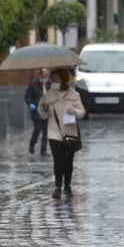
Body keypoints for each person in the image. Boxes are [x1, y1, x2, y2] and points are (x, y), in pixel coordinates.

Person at [37, 67, 86, 198]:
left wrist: (74, 111)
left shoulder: (74, 95)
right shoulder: (48, 95)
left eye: (57, 79)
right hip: (54, 133)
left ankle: (67, 187)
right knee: (57, 161)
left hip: (70, 132)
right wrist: (42, 107)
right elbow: (43, 115)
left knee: (68, 162)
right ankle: (58, 186)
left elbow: (82, 112)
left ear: (64, 79)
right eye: (53, 79)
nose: (55, 81)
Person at [23, 67, 51, 155]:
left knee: (46, 131)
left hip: (47, 111)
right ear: (40, 75)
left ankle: (43, 149)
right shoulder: (33, 85)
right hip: (36, 111)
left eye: (47, 75)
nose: (45, 77)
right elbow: (27, 96)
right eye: (44, 75)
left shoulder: (50, 85)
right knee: (37, 129)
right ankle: (32, 145)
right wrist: (30, 104)